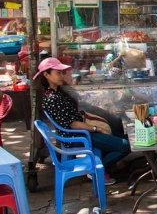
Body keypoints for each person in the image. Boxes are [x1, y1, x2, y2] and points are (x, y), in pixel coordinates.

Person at [34, 57, 130, 185]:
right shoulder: (52, 98)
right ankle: (97, 169)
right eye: (58, 73)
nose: (61, 75)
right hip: (78, 136)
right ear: (46, 75)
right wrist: (97, 129)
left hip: (82, 131)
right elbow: (73, 124)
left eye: (62, 72)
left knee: (123, 137)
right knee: (125, 145)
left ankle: (104, 165)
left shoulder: (58, 91)